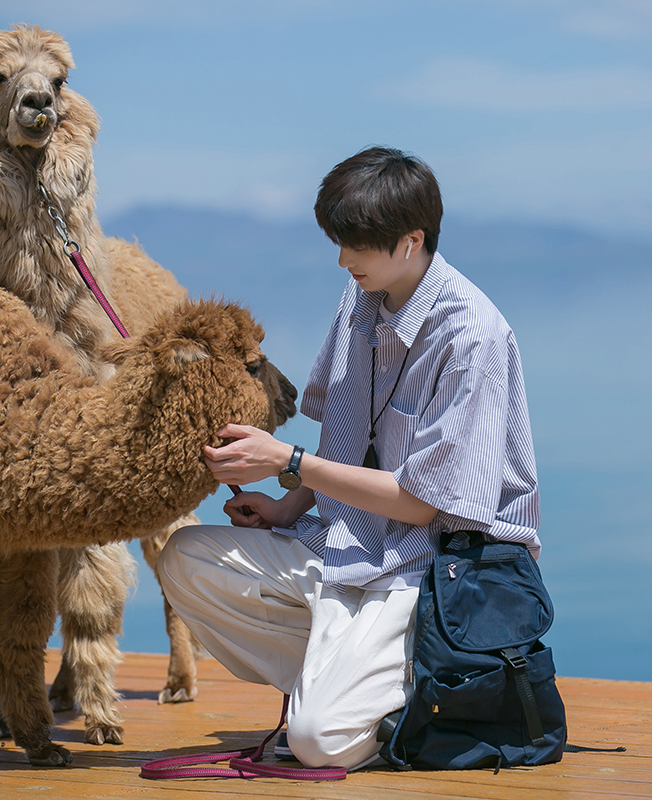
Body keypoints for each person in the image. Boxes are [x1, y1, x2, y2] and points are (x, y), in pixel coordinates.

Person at [157, 146, 540, 770]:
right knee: (188, 561)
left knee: (317, 742)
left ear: (412, 241)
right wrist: (287, 509)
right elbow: (343, 438)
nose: (343, 259)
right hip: (345, 544)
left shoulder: (473, 336)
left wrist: (287, 463)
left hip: (436, 574)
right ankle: (344, 675)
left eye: (356, 244)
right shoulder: (359, 299)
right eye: (338, 241)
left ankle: (405, 682)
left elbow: (422, 504)